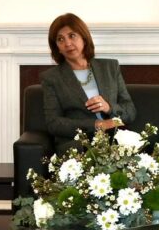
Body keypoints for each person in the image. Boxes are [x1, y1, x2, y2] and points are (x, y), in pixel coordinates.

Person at [40, 13, 136, 151]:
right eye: (60, 39)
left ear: (84, 38)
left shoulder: (110, 67)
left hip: (114, 141)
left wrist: (109, 107)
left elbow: (130, 111)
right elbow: (54, 123)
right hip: (77, 145)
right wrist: (96, 125)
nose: (67, 43)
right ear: (57, 48)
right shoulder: (51, 77)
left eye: (72, 35)